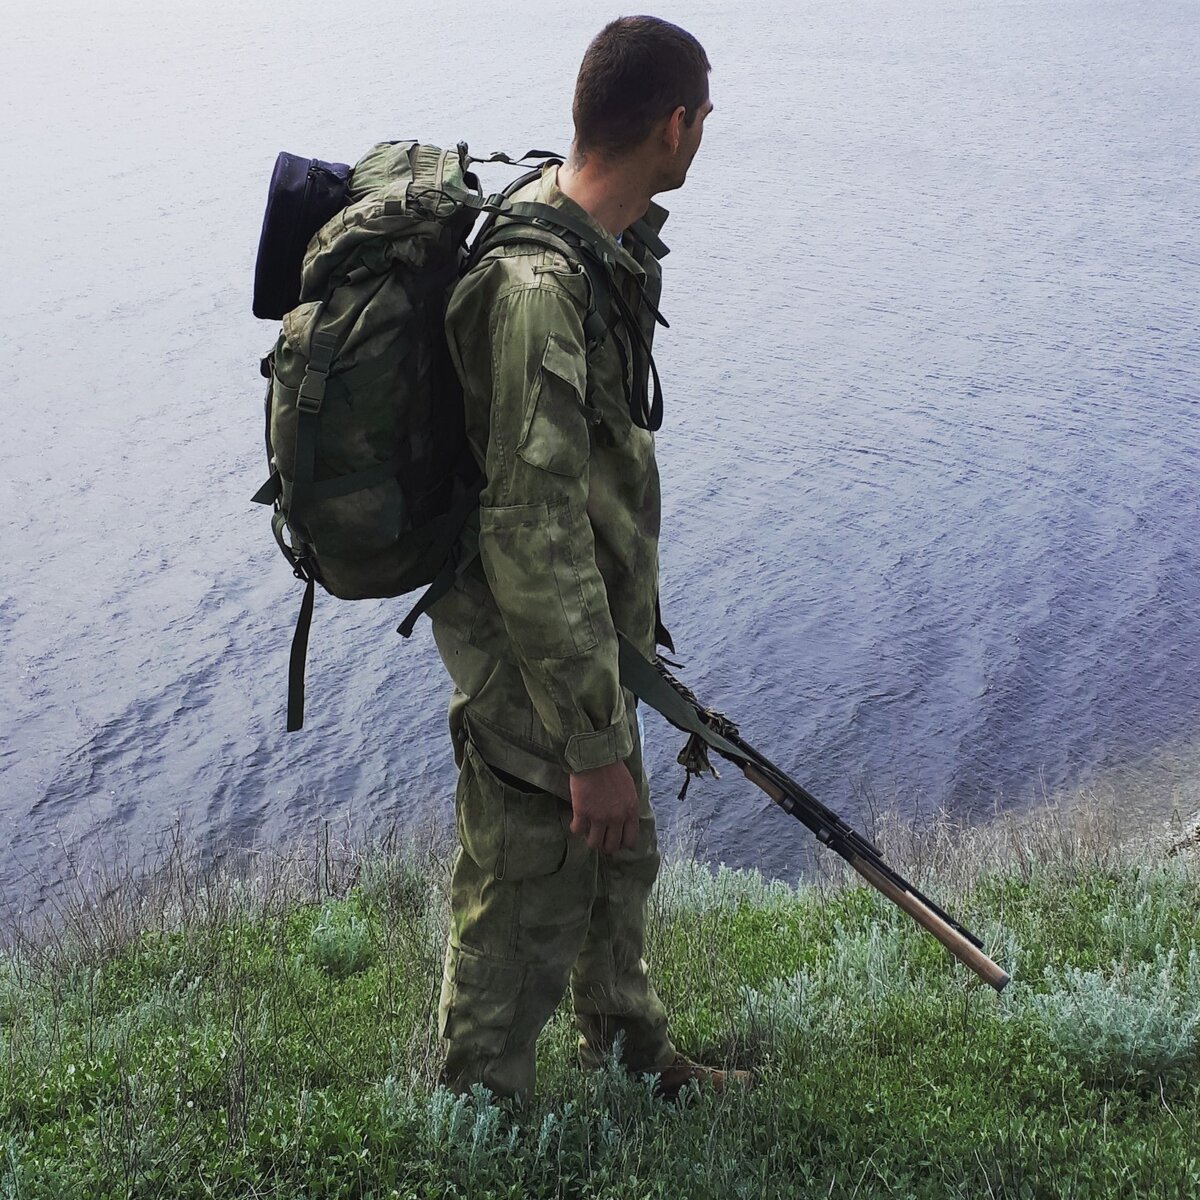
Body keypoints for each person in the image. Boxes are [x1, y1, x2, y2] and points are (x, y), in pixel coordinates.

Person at [430, 15, 743, 1101]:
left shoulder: (577, 233)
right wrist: (591, 742)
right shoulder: (537, 294)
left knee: (618, 856)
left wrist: (610, 709)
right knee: (523, 893)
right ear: (674, 125)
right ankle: (479, 1113)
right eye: (702, 118)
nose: (702, 134)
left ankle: (630, 1051)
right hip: (530, 656)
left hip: (585, 648)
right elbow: (532, 533)